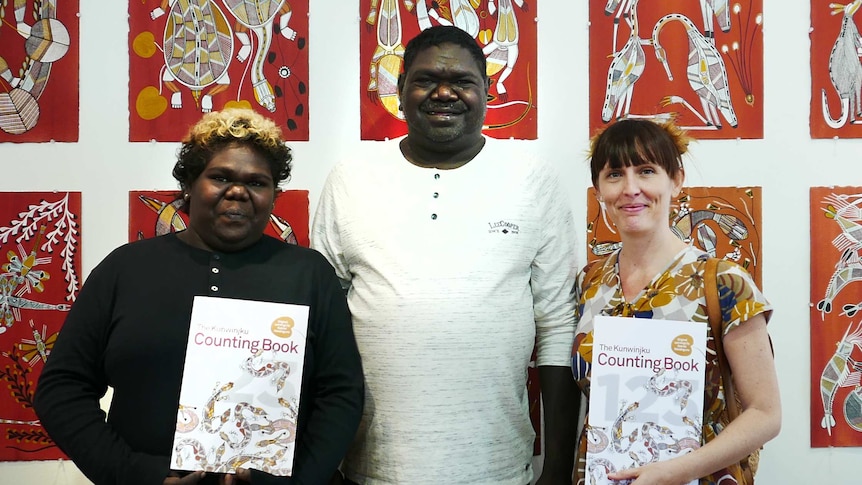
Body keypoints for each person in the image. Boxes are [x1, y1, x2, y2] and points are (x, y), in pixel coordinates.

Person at [34, 108, 364, 485]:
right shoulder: (125, 270)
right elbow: (61, 390)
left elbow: (340, 393)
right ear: (189, 185)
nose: (238, 191)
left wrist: (298, 482)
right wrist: (134, 474)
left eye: (257, 182)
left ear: (274, 196)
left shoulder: (309, 274)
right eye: (221, 177)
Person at [312, 25, 579, 485]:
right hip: (371, 470)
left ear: (487, 92)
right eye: (425, 79)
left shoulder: (531, 178)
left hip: (499, 470)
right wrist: (321, 460)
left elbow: (557, 323)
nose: (443, 92)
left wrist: (556, 468)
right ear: (399, 90)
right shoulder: (351, 178)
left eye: (462, 82)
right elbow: (322, 325)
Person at [572, 119, 780, 484]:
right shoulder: (590, 284)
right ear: (599, 189)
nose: (631, 189)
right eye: (615, 175)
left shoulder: (723, 282)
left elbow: (765, 414)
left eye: (647, 171)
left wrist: (673, 472)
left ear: (676, 180)